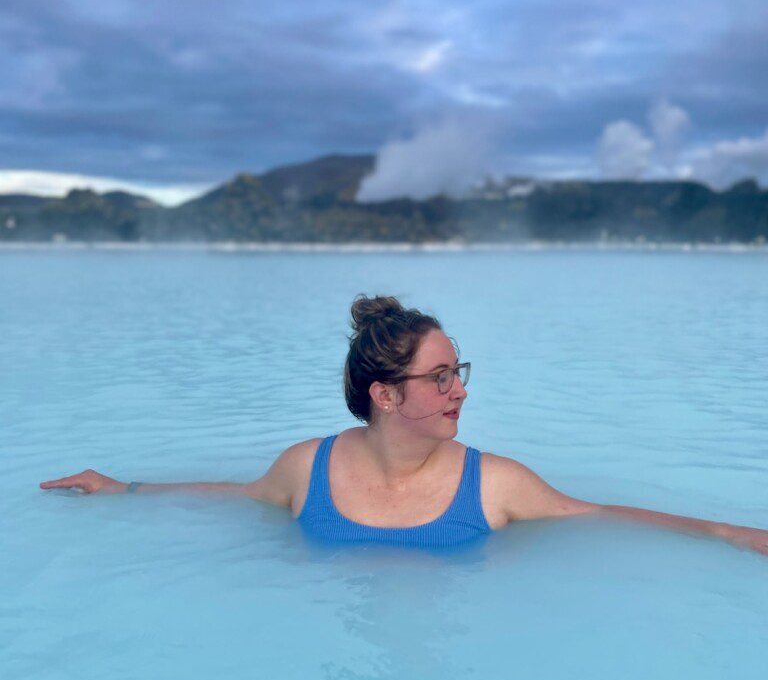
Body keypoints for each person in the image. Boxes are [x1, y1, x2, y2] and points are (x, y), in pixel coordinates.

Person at [40, 293, 768, 555]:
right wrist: (126, 490)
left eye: (460, 373)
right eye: (440, 377)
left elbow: (600, 517)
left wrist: (728, 533)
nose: (459, 392)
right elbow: (236, 496)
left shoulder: (496, 484)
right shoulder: (308, 468)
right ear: (384, 396)